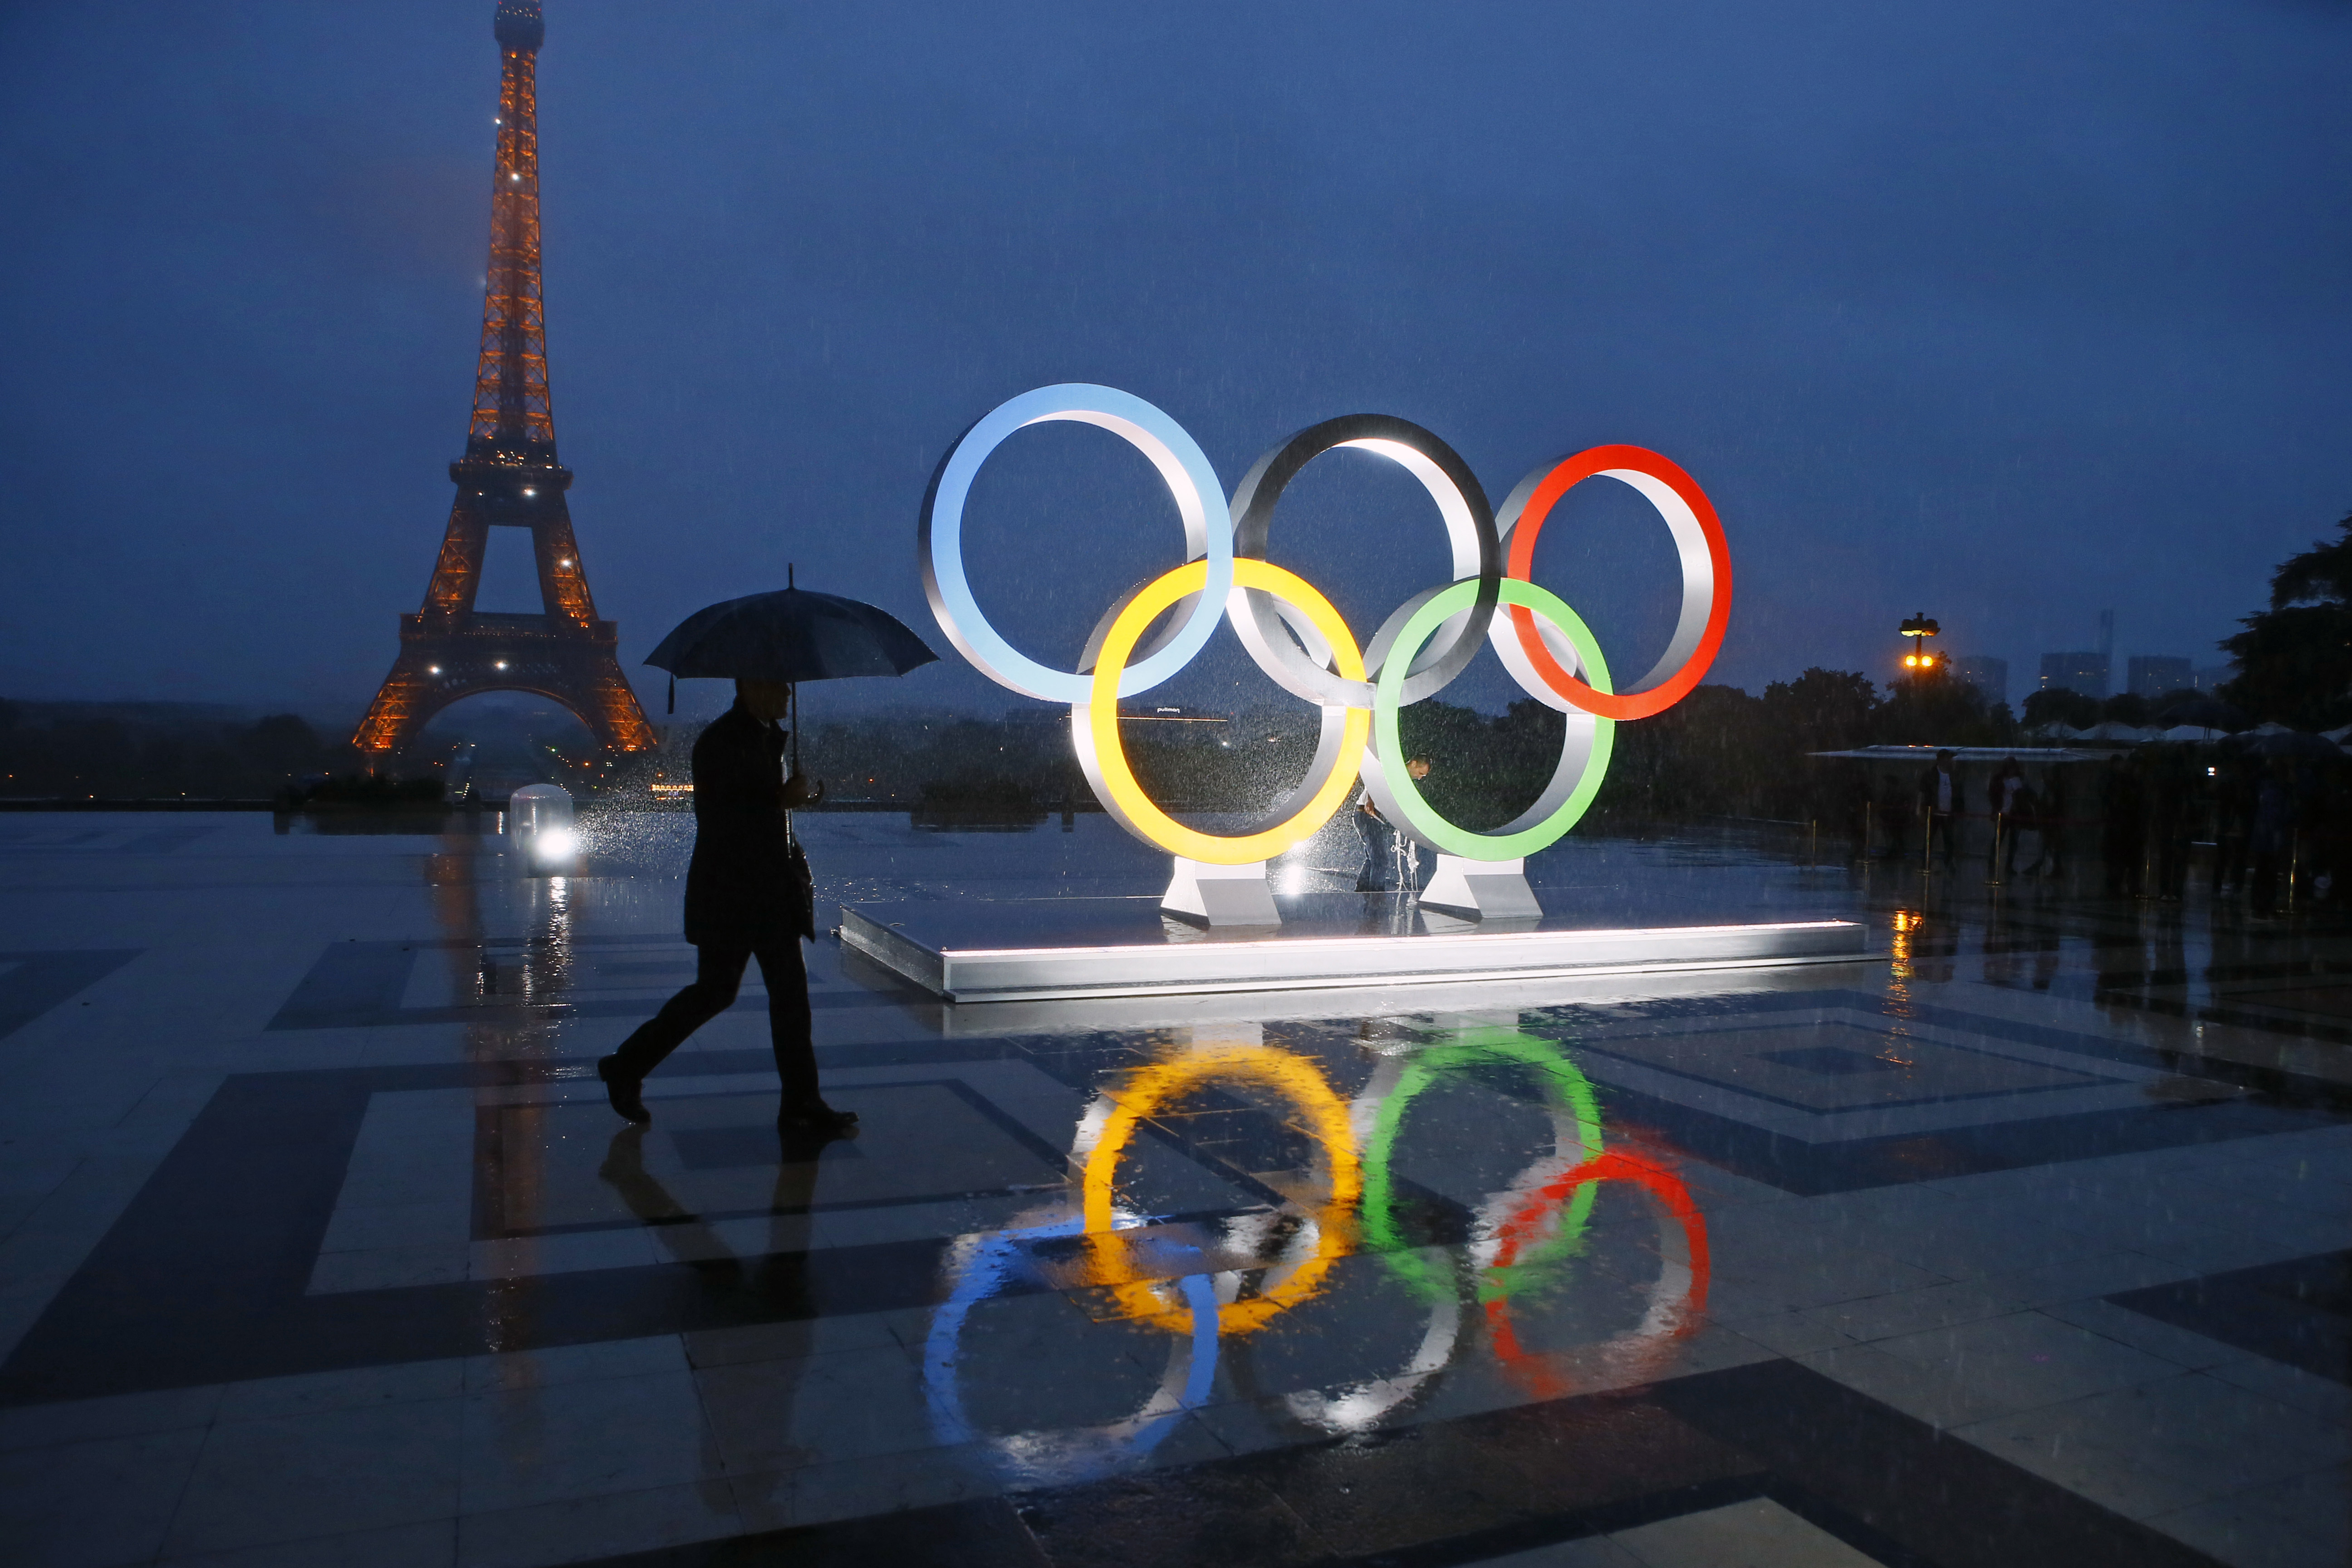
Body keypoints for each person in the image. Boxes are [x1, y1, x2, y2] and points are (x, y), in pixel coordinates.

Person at [597, 678, 856, 1133]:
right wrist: (781, 799)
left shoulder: (750, 736)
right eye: (780, 687)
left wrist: (789, 799)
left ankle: (801, 1100)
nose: (787, 696)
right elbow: (726, 818)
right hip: (736, 894)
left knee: (779, 998)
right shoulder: (723, 741)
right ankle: (627, 1065)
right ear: (750, 686)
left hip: (758, 893)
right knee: (726, 994)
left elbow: (750, 812)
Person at [1355, 758, 1431, 892]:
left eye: (1423, 776)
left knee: (1373, 859)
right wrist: (1370, 800)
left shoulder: (1405, 783)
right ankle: (1376, 894)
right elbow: (1375, 779)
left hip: (1373, 819)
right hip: (1367, 815)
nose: (1420, 778)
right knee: (1380, 860)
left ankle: (1362, 890)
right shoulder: (1394, 769)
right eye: (1420, 773)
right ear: (1414, 763)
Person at [1916, 750, 1962, 870]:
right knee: (1929, 839)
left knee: (1949, 840)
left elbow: (1959, 794)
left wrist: (1958, 810)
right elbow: (1922, 792)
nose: (1949, 761)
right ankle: (1925, 862)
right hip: (1933, 812)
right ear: (1940, 759)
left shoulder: (1954, 775)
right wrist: (1920, 809)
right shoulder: (1930, 775)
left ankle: (1948, 863)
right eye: (1947, 758)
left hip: (1948, 813)